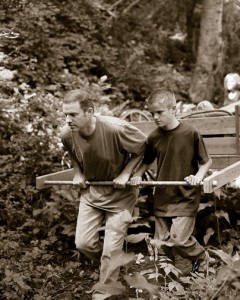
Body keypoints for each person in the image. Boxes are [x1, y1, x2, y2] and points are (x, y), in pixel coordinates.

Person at [60, 89, 146, 299]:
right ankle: (112, 264)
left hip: (121, 195)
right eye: (65, 115)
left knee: (111, 248)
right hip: (92, 193)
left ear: (89, 112)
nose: (68, 120)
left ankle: (105, 291)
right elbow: (72, 152)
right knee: (83, 243)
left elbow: (145, 146)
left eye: (73, 114)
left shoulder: (115, 128)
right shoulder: (67, 133)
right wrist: (78, 172)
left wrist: (127, 173)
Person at [130, 89, 212, 274]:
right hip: (163, 196)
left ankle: (201, 257)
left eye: (160, 112)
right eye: (152, 113)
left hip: (185, 195)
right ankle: (169, 278)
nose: (155, 117)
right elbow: (147, 161)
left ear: (173, 109)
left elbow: (206, 162)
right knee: (161, 242)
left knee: (179, 239)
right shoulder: (154, 137)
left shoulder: (190, 132)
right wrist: (137, 175)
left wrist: (198, 177)